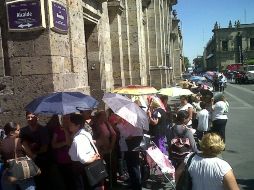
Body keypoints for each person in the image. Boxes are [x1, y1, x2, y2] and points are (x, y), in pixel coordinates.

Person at [68, 113, 104, 190]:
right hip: (85, 168)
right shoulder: (86, 133)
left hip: (81, 169)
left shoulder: (78, 139)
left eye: (70, 124)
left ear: (77, 125)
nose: (68, 125)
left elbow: (83, 160)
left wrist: (94, 157)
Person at [20, 112, 51, 190]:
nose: (30, 119)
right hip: (29, 161)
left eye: (32, 117)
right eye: (28, 117)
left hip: (43, 160)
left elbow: (45, 147)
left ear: (37, 118)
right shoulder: (23, 131)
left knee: (44, 182)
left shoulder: (43, 130)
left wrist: (34, 153)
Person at [1, 122, 36, 190]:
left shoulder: (1, 143)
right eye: (18, 130)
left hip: (8, 174)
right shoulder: (21, 141)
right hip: (22, 173)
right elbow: (31, 155)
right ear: (11, 132)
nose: (20, 131)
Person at [51, 115, 74, 190]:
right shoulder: (57, 129)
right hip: (61, 160)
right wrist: (64, 143)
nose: (66, 120)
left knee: (73, 182)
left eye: (68, 118)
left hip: (72, 160)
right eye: (64, 118)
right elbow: (53, 145)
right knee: (64, 182)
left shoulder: (73, 129)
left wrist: (66, 131)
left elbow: (70, 144)